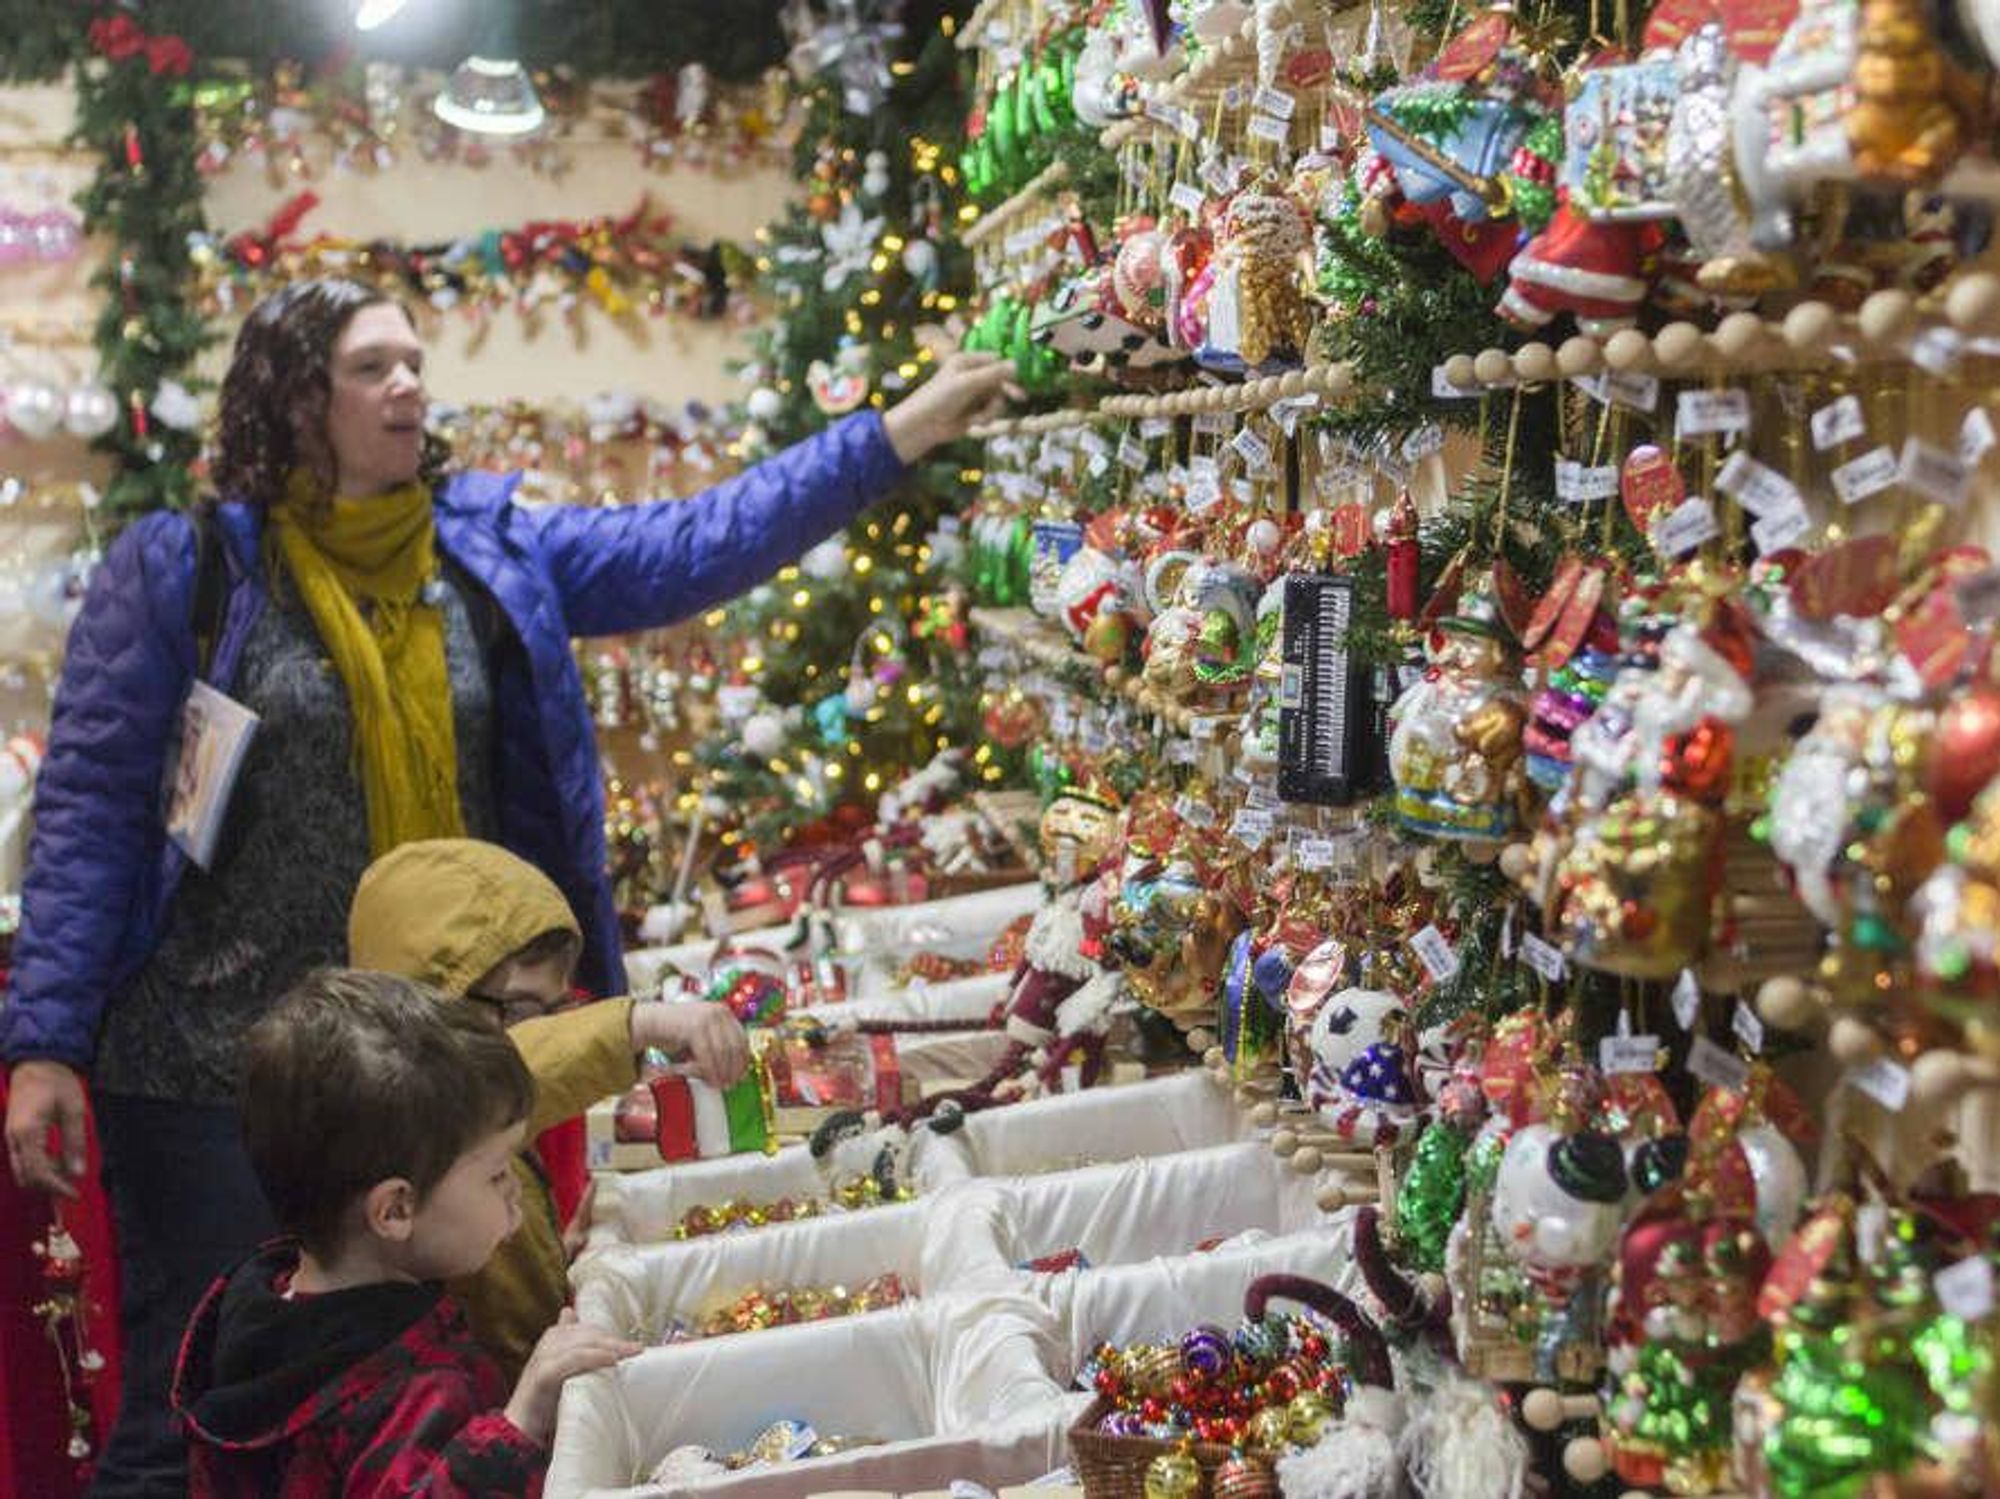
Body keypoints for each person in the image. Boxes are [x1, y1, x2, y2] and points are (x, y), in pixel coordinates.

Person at [0, 275, 1016, 1497]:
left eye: (414, 362)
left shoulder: (486, 551)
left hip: (421, 1070)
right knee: (200, 1413)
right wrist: (45, 1040)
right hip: (206, 1074)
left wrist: (892, 434)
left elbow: (689, 544)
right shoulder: (187, 566)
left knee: (410, 1392)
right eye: (371, 366)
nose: (407, 385)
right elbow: (92, 801)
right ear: (292, 396)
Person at [173, 967, 639, 1497]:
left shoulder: (261, 1309)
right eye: (496, 1173)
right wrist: (522, 1420)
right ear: (395, 1211)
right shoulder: (399, 1391)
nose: (515, 1190)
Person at [346, 836, 742, 1381]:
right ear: (429, 1004)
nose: (547, 1029)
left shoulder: (490, 1131)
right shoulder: (408, 1118)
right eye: (523, 1010)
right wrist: (635, 1024)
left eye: (557, 1010)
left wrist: (558, 1257)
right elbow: (475, 1078)